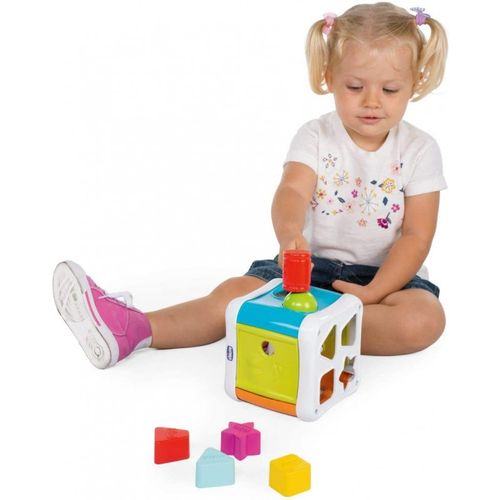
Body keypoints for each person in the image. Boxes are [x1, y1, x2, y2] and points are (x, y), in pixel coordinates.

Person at [53, 3, 448, 369]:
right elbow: (292, 191)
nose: (372, 102)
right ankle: (134, 329)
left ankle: (301, 330)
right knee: (229, 297)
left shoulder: (420, 149)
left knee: (422, 321)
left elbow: (417, 236)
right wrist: (289, 236)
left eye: (390, 90)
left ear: (416, 82)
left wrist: (374, 292)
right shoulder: (315, 135)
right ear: (329, 77)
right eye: (355, 87)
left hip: (385, 281)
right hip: (306, 270)